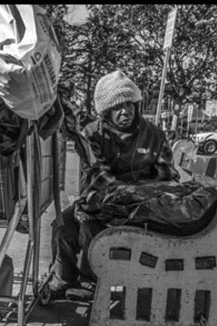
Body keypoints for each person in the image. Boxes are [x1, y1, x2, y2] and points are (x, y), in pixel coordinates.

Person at [48, 70, 180, 301]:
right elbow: (99, 174)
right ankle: (63, 278)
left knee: (91, 226)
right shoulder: (92, 134)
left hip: (140, 207)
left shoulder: (155, 135)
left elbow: (167, 176)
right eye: (118, 107)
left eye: (129, 105)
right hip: (100, 200)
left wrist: (138, 193)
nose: (125, 111)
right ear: (105, 111)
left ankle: (92, 282)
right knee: (62, 224)